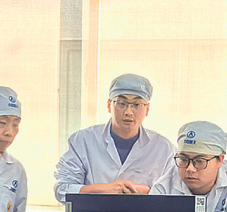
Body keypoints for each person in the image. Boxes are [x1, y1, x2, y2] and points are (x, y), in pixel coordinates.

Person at [53, 73, 175, 202]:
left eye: (136, 104)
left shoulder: (164, 148)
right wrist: (105, 190)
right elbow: (62, 190)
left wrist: (148, 191)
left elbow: (175, 195)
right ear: (109, 105)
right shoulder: (83, 141)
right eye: (121, 103)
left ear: (147, 109)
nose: (128, 112)